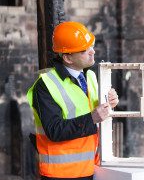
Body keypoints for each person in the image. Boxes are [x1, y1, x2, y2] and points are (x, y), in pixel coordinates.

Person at [27, 21, 119, 180]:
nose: (93, 51)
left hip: (91, 168)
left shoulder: (90, 77)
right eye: (85, 50)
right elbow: (54, 130)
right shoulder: (45, 85)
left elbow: (95, 114)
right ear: (68, 58)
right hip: (60, 174)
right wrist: (92, 118)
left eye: (91, 45)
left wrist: (110, 105)